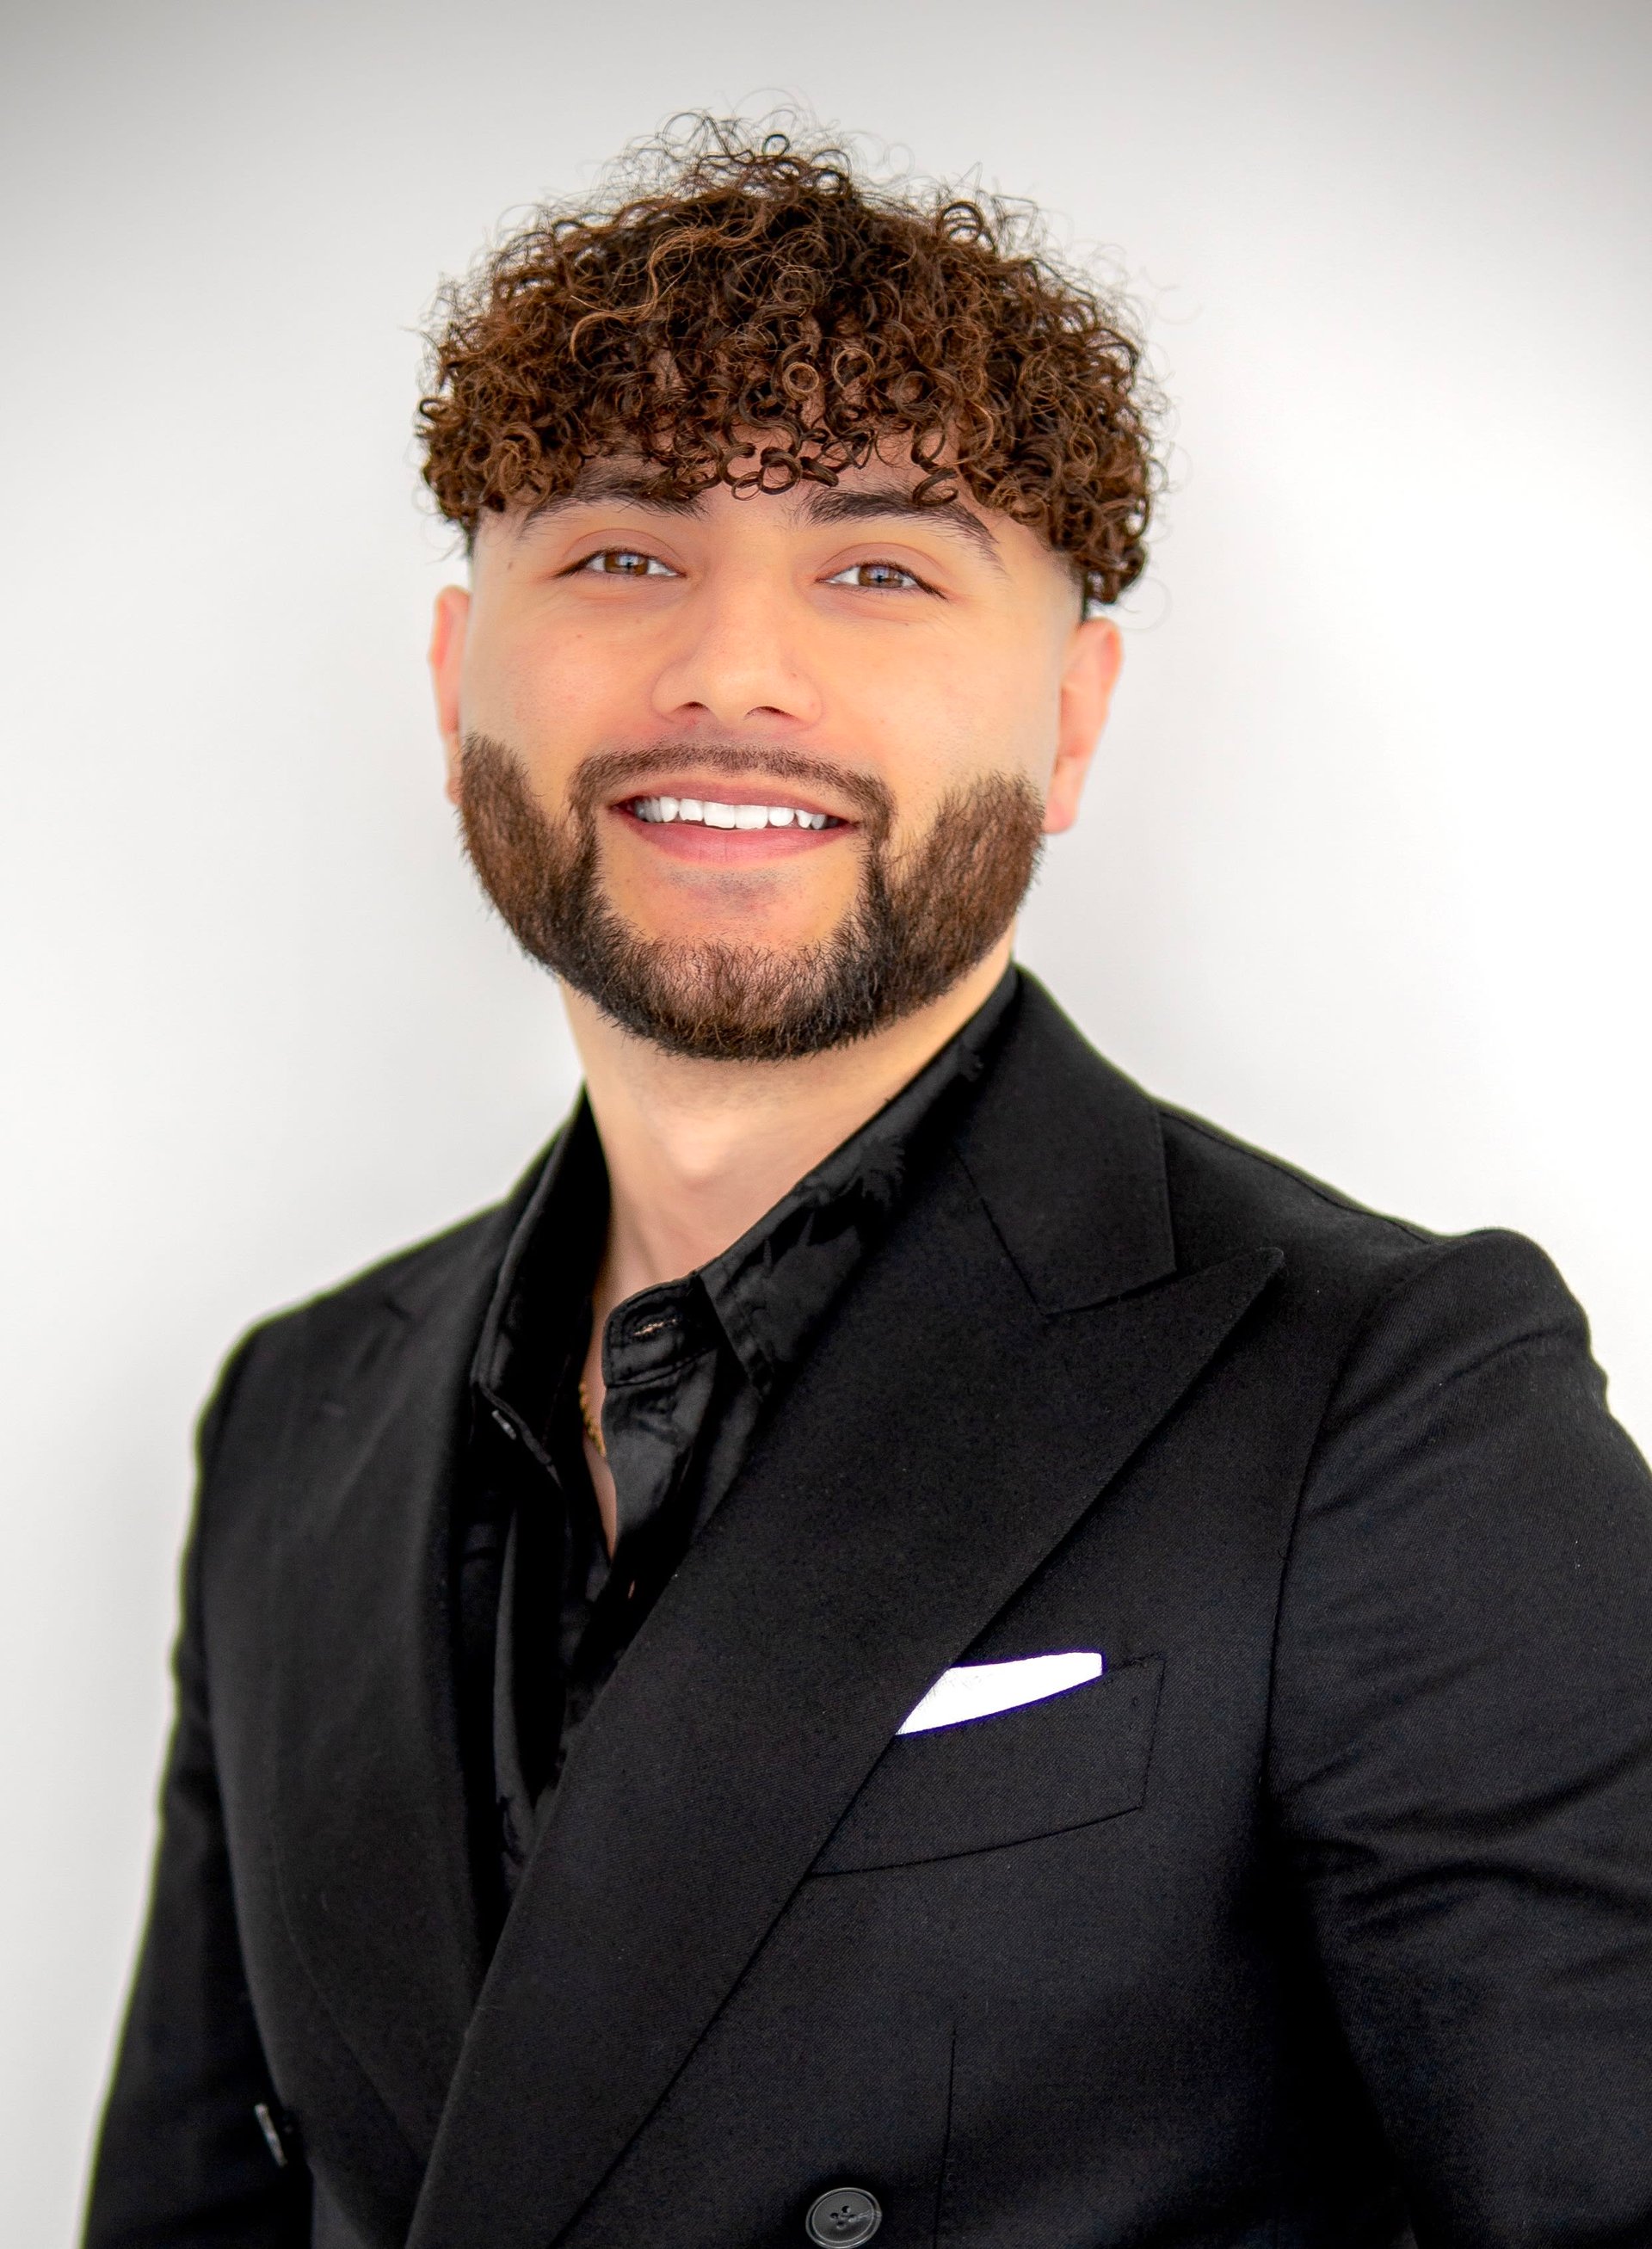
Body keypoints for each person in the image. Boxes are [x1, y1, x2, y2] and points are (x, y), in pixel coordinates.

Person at [84, 119, 1652, 2249]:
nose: (733, 666)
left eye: (882, 568)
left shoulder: (1392, 1399)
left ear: (1071, 721)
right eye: (620, 553)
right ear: (459, 680)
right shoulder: (293, 1418)